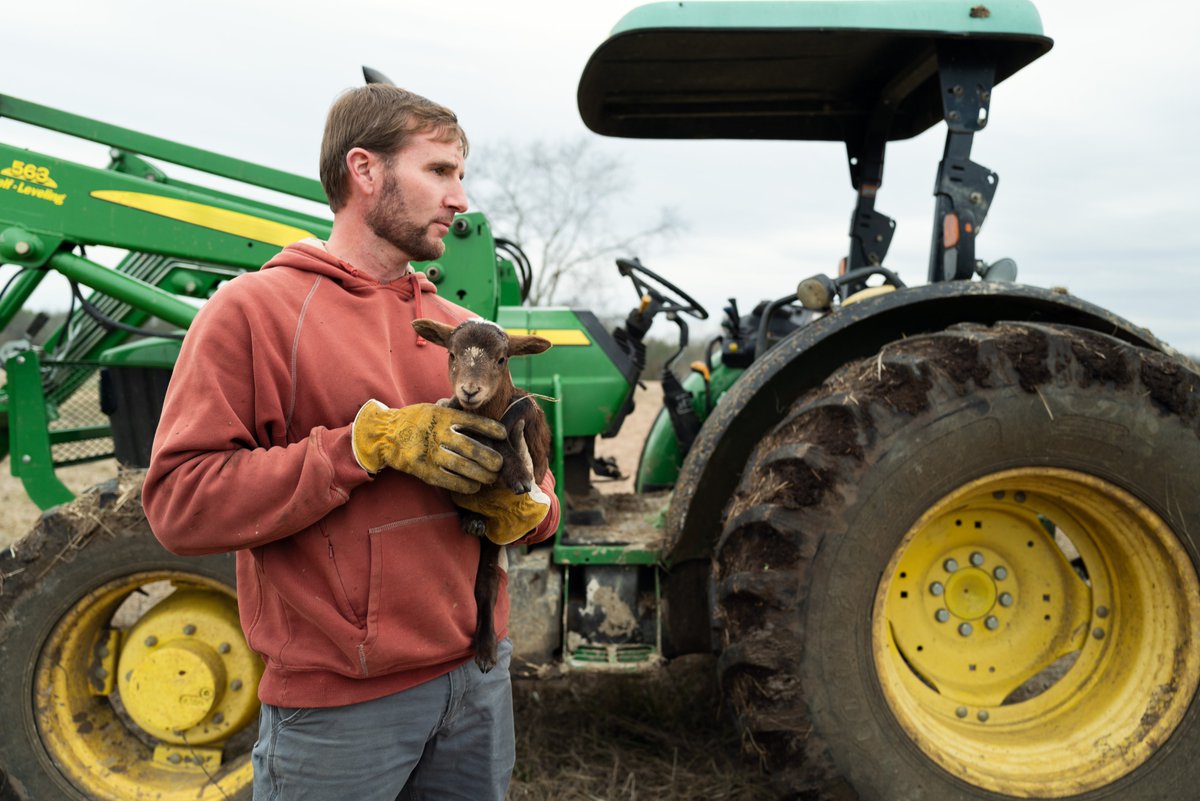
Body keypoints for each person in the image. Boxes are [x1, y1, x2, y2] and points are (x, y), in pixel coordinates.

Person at [142, 83, 559, 801]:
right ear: (364, 171)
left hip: (479, 682)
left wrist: (526, 505)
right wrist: (363, 447)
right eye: (439, 172)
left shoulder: (463, 329)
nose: (461, 198)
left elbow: (535, 490)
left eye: (461, 174)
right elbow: (181, 503)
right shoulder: (256, 312)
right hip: (343, 709)